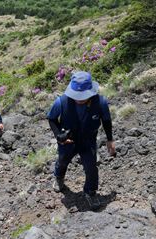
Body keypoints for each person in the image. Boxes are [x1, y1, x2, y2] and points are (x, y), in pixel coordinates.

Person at [47, 71, 116, 209]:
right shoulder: (62, 102)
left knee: (91, 167)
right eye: (77, 96)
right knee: (62, 161)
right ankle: (59, 177)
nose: (79, 99)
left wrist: (110, 139)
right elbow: (52, 118)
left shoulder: (100, 102)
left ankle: (90, 192)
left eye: (83, 96)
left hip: (88, 139)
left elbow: (106, 121)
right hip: (69, 141)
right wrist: (58, 135)